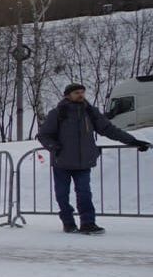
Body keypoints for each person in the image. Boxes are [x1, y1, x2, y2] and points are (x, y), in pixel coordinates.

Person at [36, 82, 150, 233]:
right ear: (68, 95)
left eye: (82, 92)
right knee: (62, 194)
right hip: (62, 162)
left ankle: (88, 223)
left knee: (84, 193)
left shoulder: (90, 111)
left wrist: (132, 141)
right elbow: (44, 135)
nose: (80, 95)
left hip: (84, 161)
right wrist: (56, 149)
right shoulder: (58, 113)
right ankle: (68, 222)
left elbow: (109, 129)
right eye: (76, 92)